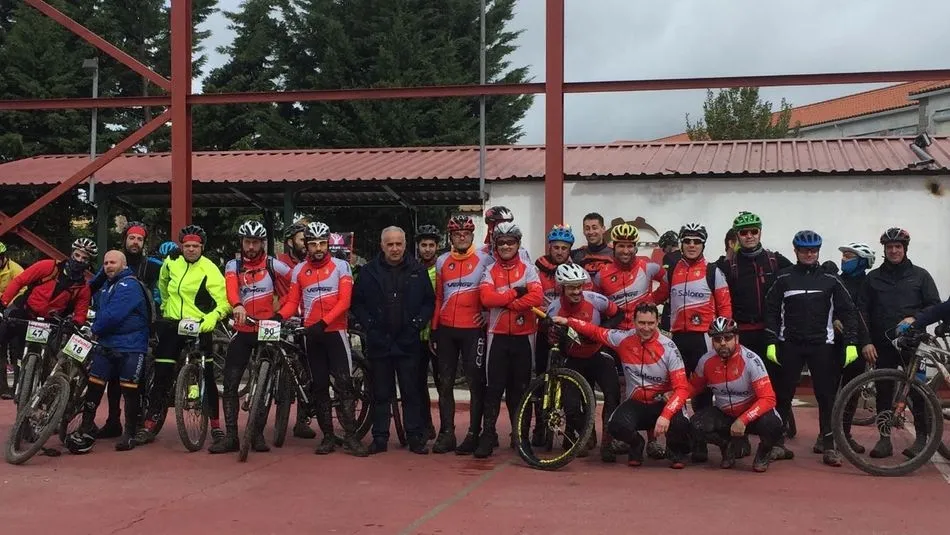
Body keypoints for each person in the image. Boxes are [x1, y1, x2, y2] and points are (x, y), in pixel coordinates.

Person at [553, 302, 691, 468]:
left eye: (650, 323)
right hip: (637, 403)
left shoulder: (669, 348)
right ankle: (636, 445)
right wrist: (568, 321)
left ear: (658, 322)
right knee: (615, 426)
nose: (646, 328)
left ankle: (675, 451)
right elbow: (596, 331)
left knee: (681, 424)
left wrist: (666, 415)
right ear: (633, 322)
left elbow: (682, 388)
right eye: (641, 323)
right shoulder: (623, 339)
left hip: (662, 403)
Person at [764, 230, 859, 467]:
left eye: (813, 250)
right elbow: (771, 311)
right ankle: (777, 444)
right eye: (805, 250)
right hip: (790, 344)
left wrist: (850, 343)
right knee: (783, 395)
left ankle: (828, 446)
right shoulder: (783, 278)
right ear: (795, 251)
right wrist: (771, 341)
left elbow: (848, 312)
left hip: (822, 345)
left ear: (818, 252)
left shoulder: (830, 279)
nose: (809, 254)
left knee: (826, 397)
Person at [277, 222, 368, 457]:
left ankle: (350, 437)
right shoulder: (299, 271)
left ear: (328, 243)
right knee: (319, 386)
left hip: (335, 333)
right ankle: (327, 436)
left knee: (344, 385)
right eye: (313, 244)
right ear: (306, 245)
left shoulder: (341, 266)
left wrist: (324, 323)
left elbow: (344, 302)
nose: (318, 248)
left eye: (322, 243)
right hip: (311, 336)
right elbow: (291, 302)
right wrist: (277, 317)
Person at [138, 225, 230, 445]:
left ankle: (216, 425)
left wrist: (211, 319)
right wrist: (166, 307)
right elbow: (163, 284)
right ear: (182, 246)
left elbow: (224, 301)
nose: (190, 250)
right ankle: (150, 421)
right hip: (173, 324)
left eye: (195, 246)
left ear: (202, 247)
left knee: (207, 373)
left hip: (200, 324)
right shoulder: (171, 262)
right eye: (187, 246)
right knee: (162, 373)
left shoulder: (209, 268)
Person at [209, 221, 293, 454]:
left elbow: (295, 287)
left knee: (265, 384)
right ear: (241, 243)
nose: (251, 246)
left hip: (268, 327)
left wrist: (281, 313)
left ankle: (256, 434)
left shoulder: (274, 266)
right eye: (248, 241)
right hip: (243, 328)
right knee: (230, 382)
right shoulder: (232, 266)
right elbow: (231, 289)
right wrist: (237, 305)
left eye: (256, 242)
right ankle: (231, 436)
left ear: (263, 243)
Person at [352, 226, 435, 455]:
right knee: (381, 393)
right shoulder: (368, 272)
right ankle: (380, 438)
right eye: (390, 244)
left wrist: (418, 323)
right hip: (380, 342)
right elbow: (357, 303)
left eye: (399, 243)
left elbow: (429, 301)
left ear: (405, 244)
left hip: (408, 341)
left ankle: (415, 437)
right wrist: (370, 326)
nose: (395, 248)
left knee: (411, 392)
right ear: (382, 246)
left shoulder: (418, 271)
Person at [859, 227, 940, 458]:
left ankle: (922, 439)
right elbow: (861, 310)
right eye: (889, 247)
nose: (894, 250)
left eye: (898, 247)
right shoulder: (872, 278)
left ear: (905, 249)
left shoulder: (920, 276)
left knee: (918, 392)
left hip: (913, 344)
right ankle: (884, 440)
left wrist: (915, 318)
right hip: (882, 344)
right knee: (883, 391)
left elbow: (934, 305)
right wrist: (866, 342)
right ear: (884, 250)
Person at [715, 211, 792, 445]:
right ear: (737, 236)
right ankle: (741, 437)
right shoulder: (727, 265)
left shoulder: (774, 260)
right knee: (741, 386)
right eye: (744, 232)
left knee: (777, 384)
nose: (749, 236)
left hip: (769, 334)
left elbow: (799, 274)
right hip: (741, 335)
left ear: (760, 232)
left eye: (753, 231)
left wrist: (824, 269)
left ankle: (775, 436)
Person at [64, 251, 151, 453]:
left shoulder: (129, 285)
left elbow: (113, 315)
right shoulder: (108, 284)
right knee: (95, 385)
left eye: (113, 262)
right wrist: (102, 275)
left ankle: (129, 433)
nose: (108, 266)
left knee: (130, 390)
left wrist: (93, 330)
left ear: (124, 264)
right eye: (105, 263)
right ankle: (86, 426)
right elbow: (88, 289)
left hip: (131, 345)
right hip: (107, 343)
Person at [89, 221, 163, 440]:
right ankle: (113, 421)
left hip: (141, 326)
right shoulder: (112, 263)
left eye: (140, 239)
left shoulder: (152, 265)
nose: (135, 242)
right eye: (132, 238)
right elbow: (92, 286)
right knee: (112, 380)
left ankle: (137, 422)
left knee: (134, 381)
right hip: (114, 329)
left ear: (144, 243)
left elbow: (169, 278)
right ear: (125, 240)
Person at [666, 223, 733, 460]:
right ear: (681, 244)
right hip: (678, 337)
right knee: (678, 387)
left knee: (703, 389)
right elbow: (660, 295)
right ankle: (680, 439)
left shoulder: (713, 271)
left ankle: (701, 443)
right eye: (688, 241)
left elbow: (725, 308)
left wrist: (724, 340)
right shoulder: (672, 268)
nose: (692, 245)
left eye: (697, 241)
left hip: (703, 337)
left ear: (703, 244)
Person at [477, 222, 543, 458]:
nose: (506, 246)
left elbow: (537, 296)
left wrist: (506, 301)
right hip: (498, 336)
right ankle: (487, 436)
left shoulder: (527, 268)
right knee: (493, 389)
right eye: (501, 242)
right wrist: (516, 293)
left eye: (510, 242)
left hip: (524, 337)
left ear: (518, 244)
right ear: (495, 245)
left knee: (521, 390)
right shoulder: (490, 270)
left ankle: (520, 436)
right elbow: (486, 298)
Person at [544, 263, 624, 462]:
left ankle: (608, 441)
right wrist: (554, 336)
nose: (577, 291)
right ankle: (585, 433)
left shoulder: (595, 300)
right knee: (571, 407)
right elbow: (549, 337)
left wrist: (601, 332)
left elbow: (619, 314)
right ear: (561, 288)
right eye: (571, 287)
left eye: (580, 286)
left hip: (597, 355)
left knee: (612, 395)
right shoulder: (554, 308)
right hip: (573, 359)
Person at [0, 238, 95, 400]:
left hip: (52, 321)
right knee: (5, 339)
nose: (79, 260)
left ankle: (44, 396)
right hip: (25, 311)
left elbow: (81, 312)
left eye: (84, 258)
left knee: (51, 358)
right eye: (77, 255)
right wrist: (3, 303)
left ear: (88, 262)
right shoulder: (48, 267)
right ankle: (7, 385)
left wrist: (76, 322)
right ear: (71, 254)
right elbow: (20, 281)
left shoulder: (83, 288)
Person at [429, 215, 493, 455]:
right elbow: (439, 298)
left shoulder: (485, 259)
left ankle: (474, 434)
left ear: (472, 235)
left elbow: (492, 291)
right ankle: (447, 433)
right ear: (451, 237)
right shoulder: (442, 260)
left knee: (476, 384)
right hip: (446, 329)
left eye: (465, 233)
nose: (461, 236)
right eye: (457, 234)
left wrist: (487, 316)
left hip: (473, 331)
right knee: (444, 384)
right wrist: (435, 329)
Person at [688, 317, 783, 472]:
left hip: (751, 415)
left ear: (737, 338)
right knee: (695, 425)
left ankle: (763, 454)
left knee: (774, 425)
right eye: (717, 339)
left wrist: (743, 420)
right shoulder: (705, 361)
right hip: (724, 413)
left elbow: (768, 398)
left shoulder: (752, 360)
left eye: (728, 338)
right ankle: (726, 445)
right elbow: (693, 387)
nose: (723, 343)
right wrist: (672, 396)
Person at [830, 242, 875, 453]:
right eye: (844, 256)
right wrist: (833, 320)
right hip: (832, 344)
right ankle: (826, 437)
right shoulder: (834, 280)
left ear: (862, 262)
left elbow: (867, 316)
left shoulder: (870, 285)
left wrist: (866, 341)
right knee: (828, 392)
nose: (844, 260)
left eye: (849, 257)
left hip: (857, 346)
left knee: (851, 393)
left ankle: (845, 436)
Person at [274, 221, 318, 440]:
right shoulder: (279, 263)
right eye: (303, 240)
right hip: (283, 321)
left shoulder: (313, 262)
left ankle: (302, 420)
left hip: (307, 322)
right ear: (290, 242)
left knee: (307, 369)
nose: (306, 244)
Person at [415, 224, 441, 440]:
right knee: (419, 384)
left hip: (439, 335)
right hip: (417, 337)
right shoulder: (414, 270)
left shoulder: (442, 270)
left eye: (431, 245)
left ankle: (446, 429)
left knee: (443, 384)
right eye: (423, 245)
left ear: (437, 247)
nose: (427, 249)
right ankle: (426, 425)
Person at [0, 241, 23, 399]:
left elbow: (24, 289)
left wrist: (9, 304)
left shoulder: (15, 269)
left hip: (14, 311)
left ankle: (17, 387)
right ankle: (3, 388)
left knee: (16, 350)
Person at [571, 212, 613, 278]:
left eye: (594, 228)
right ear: (583, 231)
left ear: (603, 229)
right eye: (587, 228)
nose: (591, 232)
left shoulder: (615, 254)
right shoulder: (576, 254)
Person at [657, 229, 680, 331]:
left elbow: (668, 280)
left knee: (666, 331)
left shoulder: (668, 257)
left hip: (672, 300)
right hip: (686, 300)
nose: (664, 251)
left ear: (669, 245)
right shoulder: (686, 256)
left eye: (664, 248)